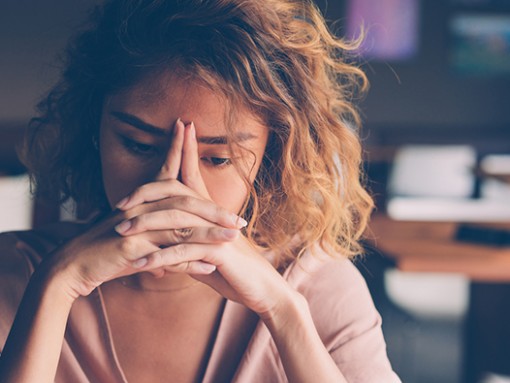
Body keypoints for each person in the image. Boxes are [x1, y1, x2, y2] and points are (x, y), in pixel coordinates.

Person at [0, 0, 400, 381]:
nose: (173, 187)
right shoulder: (17, 274)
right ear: (94, 131)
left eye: (219, 158)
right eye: (139, 145)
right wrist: (56, 287)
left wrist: (284, 313)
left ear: (270, 156)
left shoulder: (317, 289)